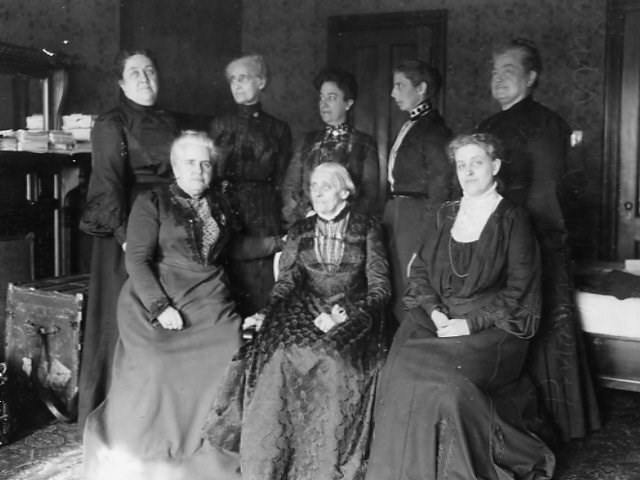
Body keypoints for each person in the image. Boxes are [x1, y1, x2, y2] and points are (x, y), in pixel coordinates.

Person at [366, 133, 555, 480]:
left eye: (477, 163)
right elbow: (420, 272)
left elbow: (519, 289)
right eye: (461, 165)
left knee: (448, 386)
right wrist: (436, 312)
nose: (468, 172)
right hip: (439, 317)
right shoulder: (444, 215)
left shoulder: (514, 219)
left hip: (495, 327)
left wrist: (470, 325)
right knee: (398, 373)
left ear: (495, 167)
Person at [83, 131, 270, 480]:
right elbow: (137, 260)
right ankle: (148, 448)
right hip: (158, 294)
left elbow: (233, 249)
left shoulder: (220, 204)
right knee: (157, 362)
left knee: (230, 349)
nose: (199, 170)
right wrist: (160, 307)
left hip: (208, 296)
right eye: (190, 162)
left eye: (205, 163)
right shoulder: (151, 202)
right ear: (174, 166)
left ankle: (204, 444)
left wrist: (279, 242)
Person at [205, 162, 391, 480]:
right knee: (277, 355)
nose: (316, 192)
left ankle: (323, 467)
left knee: (333, 359)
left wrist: (347, 312)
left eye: (326, 186)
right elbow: (287, 283)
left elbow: (380, 287)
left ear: (345, 192)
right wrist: (267, 313)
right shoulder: (301, 230)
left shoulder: (367, 227)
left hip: (356, 312)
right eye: (313, 186)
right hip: (304, 307)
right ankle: (274, 464)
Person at [476, 38, 599, 442]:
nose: (498, 79)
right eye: (494, 71)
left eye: (508, 71)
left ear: (531, 78)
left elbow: (545, 192)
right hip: (503, 239)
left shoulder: (546, 124)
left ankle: (550, 424)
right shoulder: (490, 126)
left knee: (542, 328)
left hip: (535, 240)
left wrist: (516, 240)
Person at [78, 49, 178, 433]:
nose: (145, 78)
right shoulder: (111, 123)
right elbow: (106, 186)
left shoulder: (169, 122)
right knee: (124, 316)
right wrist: (127, 240)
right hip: (126, 228)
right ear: (121, 83)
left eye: (150, 71)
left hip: (164, 226)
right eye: (135, 73)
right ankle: (115, 411)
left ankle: (152, 411)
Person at [209, 53, 291, 317]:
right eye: (232, 80)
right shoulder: (220, 124)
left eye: (243, 78)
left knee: (261, 283)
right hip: (227, 208)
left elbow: (281, 178)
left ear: (262, 81)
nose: (237, 85)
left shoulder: (278, 129)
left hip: (263, 210)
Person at [383, 60, 452, 323]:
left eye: (399, 86)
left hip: (416, 216)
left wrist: (425, 240)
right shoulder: (412, 124)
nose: (393, 93)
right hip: (397, 215)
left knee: (411, 285)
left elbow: (441, 189)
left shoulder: (435, 130)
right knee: (394, 284)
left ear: (421, 88)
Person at [281, 67, 380, 227]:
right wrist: (307, 214)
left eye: (332, 97)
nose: (324, 103)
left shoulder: (364, 143)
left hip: (348, 228)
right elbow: (290, 185)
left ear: (348, 103)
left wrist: (341, 219)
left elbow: (370, 192)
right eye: (321, 97)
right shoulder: (307, 141)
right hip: (307, 224)